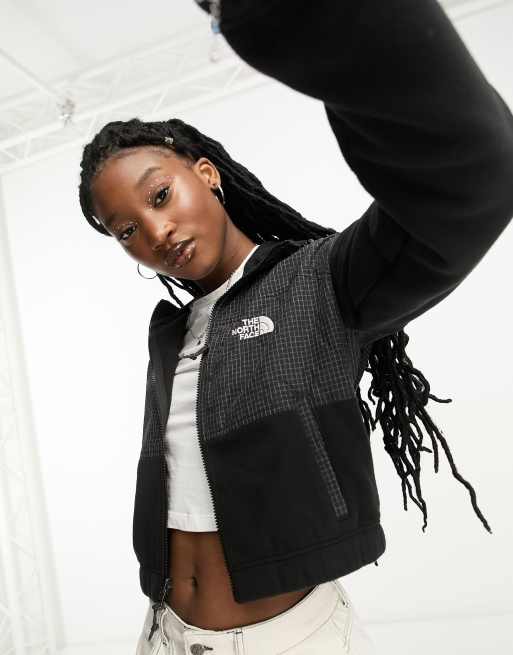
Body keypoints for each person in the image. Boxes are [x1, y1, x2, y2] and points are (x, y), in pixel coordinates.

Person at [77, 1, 513, 653]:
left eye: (160, 195)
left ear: (205, 174)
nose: (155, 231)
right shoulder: (170, 333)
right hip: (163, 633)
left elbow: (474, 175)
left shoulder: (319, 282)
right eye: (126, 230)